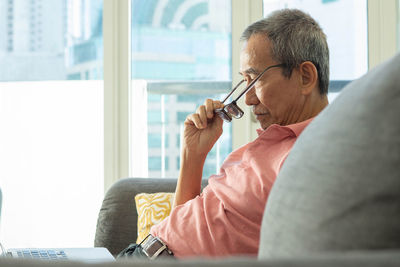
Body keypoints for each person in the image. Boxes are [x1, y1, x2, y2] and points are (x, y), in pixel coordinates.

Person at [118, 8, 330, 259]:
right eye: (244, 82)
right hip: (142, 254)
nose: (248, 99)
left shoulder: (314, 158)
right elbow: (182, 224)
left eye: (255, 80)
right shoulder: (264, 144)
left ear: (305, 76)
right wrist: (193, 155)